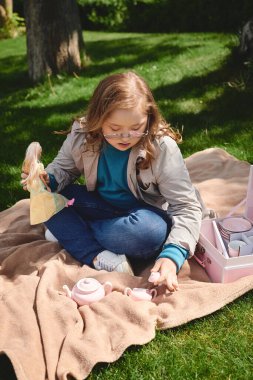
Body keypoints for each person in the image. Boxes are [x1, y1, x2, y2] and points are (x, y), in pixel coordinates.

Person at [21, 71, 202, 292]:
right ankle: (97, 256)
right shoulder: (83, 133)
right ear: (98, 120)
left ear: (149, 118)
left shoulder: (162, 147)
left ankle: (68, 230)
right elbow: (62, 169)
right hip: (99, 206)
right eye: (115, 129)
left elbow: (186, 206)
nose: (125, 137)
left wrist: (173, 256)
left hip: (144, 217)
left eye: (136, 128)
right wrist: (45, 180)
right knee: (43, 197)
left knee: (149, 234)